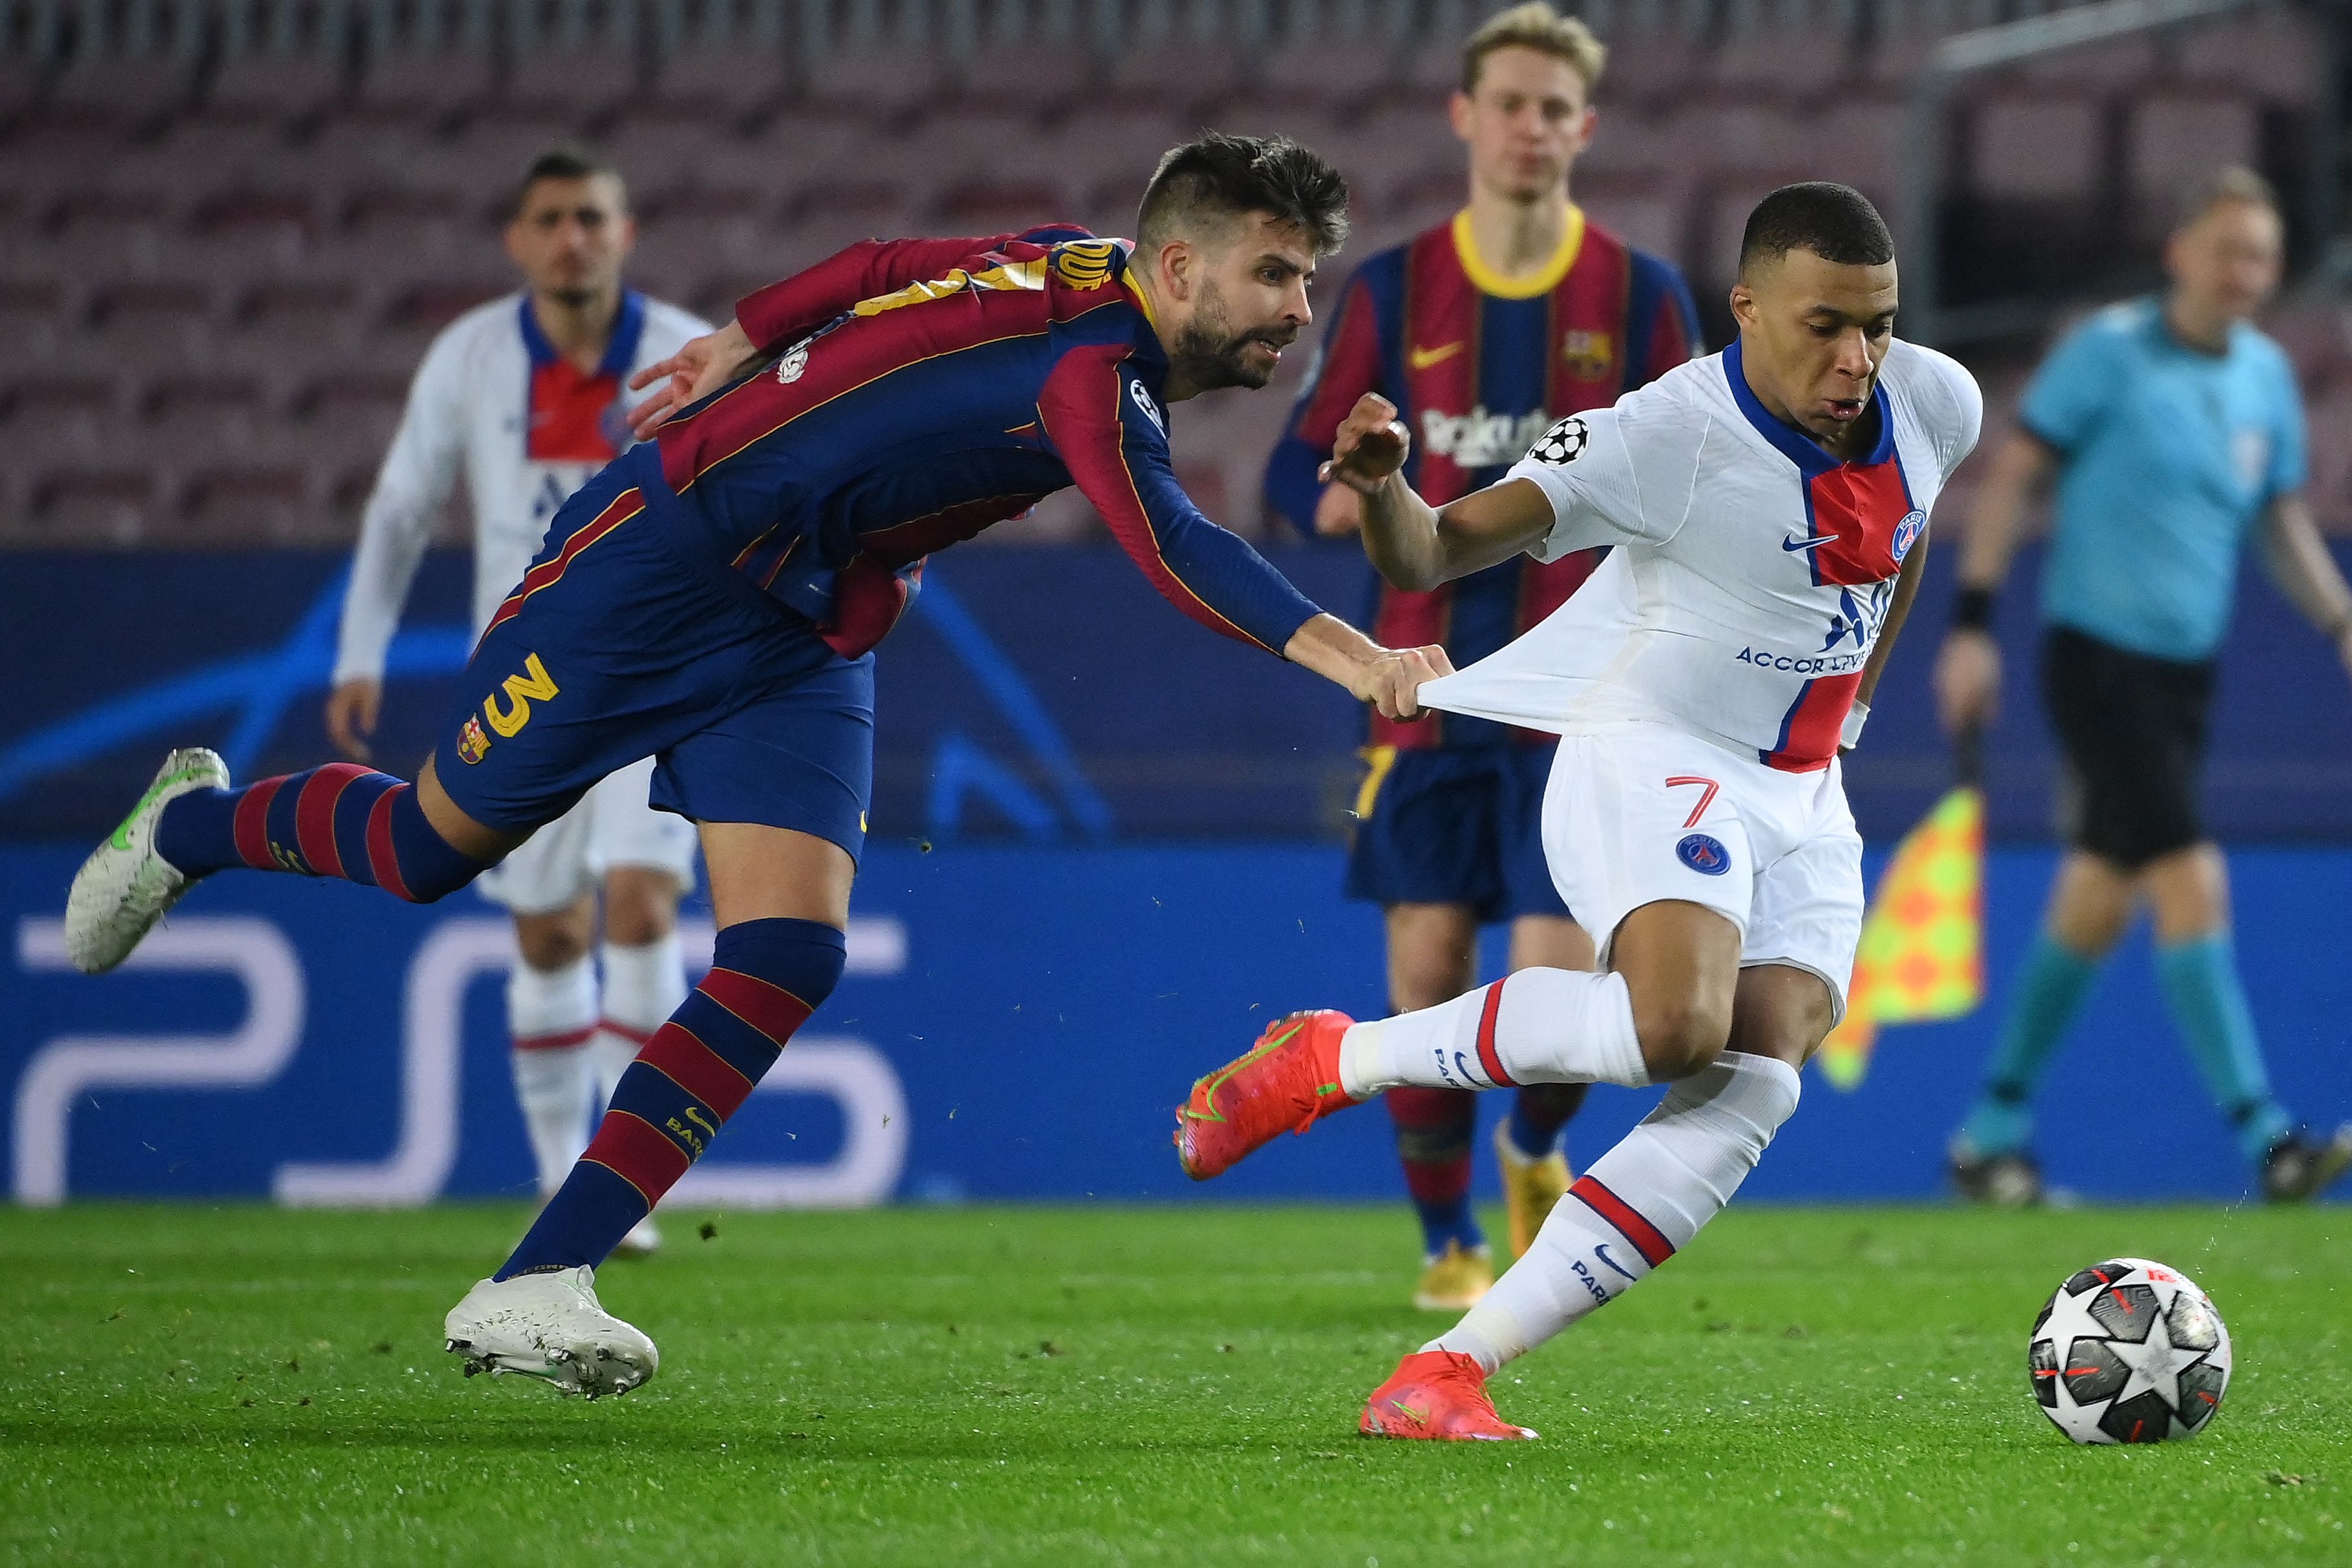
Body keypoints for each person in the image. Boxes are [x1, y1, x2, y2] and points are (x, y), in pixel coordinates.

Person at [65, 133, 1449, 1399]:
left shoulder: (1065, 258)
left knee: (788, 950)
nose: (1297, 310)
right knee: (431, 849)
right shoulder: (1094, 368)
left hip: (805, 622)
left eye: (1309, 278)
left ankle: (540, 1277)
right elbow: (1176, 547)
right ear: (1182, 265)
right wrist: (1367, 661)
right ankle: (192, 825)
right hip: (655, 574)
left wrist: (746, 328)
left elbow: (883, 266)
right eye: (1275, 274)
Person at [1174, 183, 1982, 1440]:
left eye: (1877, 323)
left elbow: (1910, 529)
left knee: (1759, 1071)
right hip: (1656, 750)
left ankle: (1445, 1371)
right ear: (1748, 306)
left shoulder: (1935, 398)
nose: (1857, 358)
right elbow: (1432, 553)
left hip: (1803, 791)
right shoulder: (1663, 435)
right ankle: (1336, 1056)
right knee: (1675, 1027)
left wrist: (1860, 703)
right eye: (1826, 324)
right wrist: (1387, 489)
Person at [1264, 1, 1699, 1310]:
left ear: (1586, 128)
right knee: (1427, 961)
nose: (1530, 126)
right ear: (1466, 116)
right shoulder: (1394, 291)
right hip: (1425, 683)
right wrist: (1355, 482)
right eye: (1508, 102)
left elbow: (1698, 468)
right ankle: (1448, 1241)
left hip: (1587, 696)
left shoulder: (1641, 296)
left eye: (1554, 108)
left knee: (1566, 978)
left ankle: (1536, 1141)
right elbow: (1296, 477)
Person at [1936, 167, 2352, 1205]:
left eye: (2258, 257)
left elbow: (2277, 519)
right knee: (2187, 875)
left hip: (2185, 678)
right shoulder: (2108, 355)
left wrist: (2340, 618)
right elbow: (2013, 476)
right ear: (2180, 254)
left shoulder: (2261, 378)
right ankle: (2267, 1138)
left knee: (2096, 895)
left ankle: (1989, 1132)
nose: (2241, 274)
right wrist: (1973, 624)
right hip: (2094, 657)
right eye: (2224, 252)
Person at [328, 146, 709, 1257]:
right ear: (518, 240)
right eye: (550, 219)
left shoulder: (689, 347)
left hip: (658, 662)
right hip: (526, 677)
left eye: (591, 216)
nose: (571, 237)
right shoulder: (473, 355)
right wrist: (363, 652)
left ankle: (623, 1182)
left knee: (639, 904)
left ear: (625, 232)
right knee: (546, 935)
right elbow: (403, 505)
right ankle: (557, 1174)